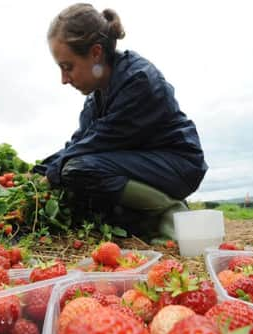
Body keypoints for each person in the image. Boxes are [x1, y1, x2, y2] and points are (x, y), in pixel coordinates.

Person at [33, 3, 208, 239]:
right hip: (140, 162)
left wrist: (51, 175)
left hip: (178, 164)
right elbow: (78, 143)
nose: (64, 79)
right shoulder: (97, 97)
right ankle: (141, 221)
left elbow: (95, 143)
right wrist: (35, 173)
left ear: (96, 53)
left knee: (79, 169)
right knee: (75, 174)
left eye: (68, 67)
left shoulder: (139, 81)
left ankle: (170, 212)